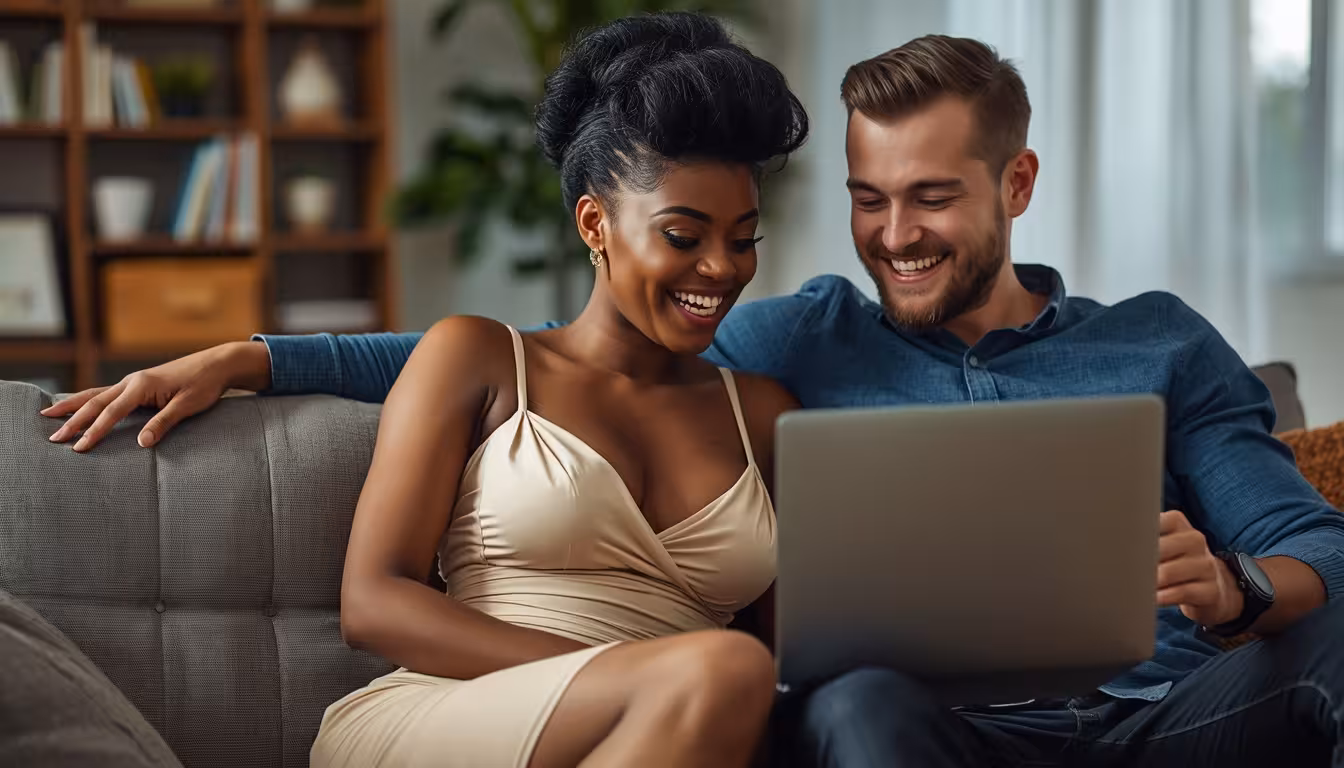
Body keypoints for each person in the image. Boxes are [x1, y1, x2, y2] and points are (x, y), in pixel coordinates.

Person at [44, 33, 1344, 768]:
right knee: (829, 699)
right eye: (866, 200)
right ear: (599, 222)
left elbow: (1306, 552)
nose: (893, 236)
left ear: (1015, 187)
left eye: (934, 198)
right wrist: (252, 355)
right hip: (802, 726)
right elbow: (503, 391)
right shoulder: (753, 346)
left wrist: (1234, 595)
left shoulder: (782, 389)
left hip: (1129, 726)